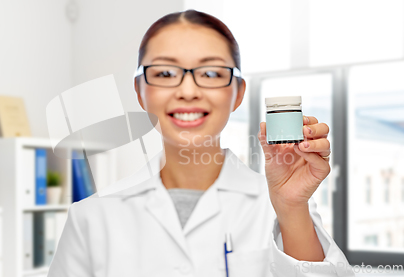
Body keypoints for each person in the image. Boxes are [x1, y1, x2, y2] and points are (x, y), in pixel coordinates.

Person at [48, 9, 354, 277]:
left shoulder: (283, 207)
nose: (188, 90)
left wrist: (290, 208)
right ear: (140, 91)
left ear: (238, 92)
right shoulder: (91, 216)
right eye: (166, 73)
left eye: (210, 72)